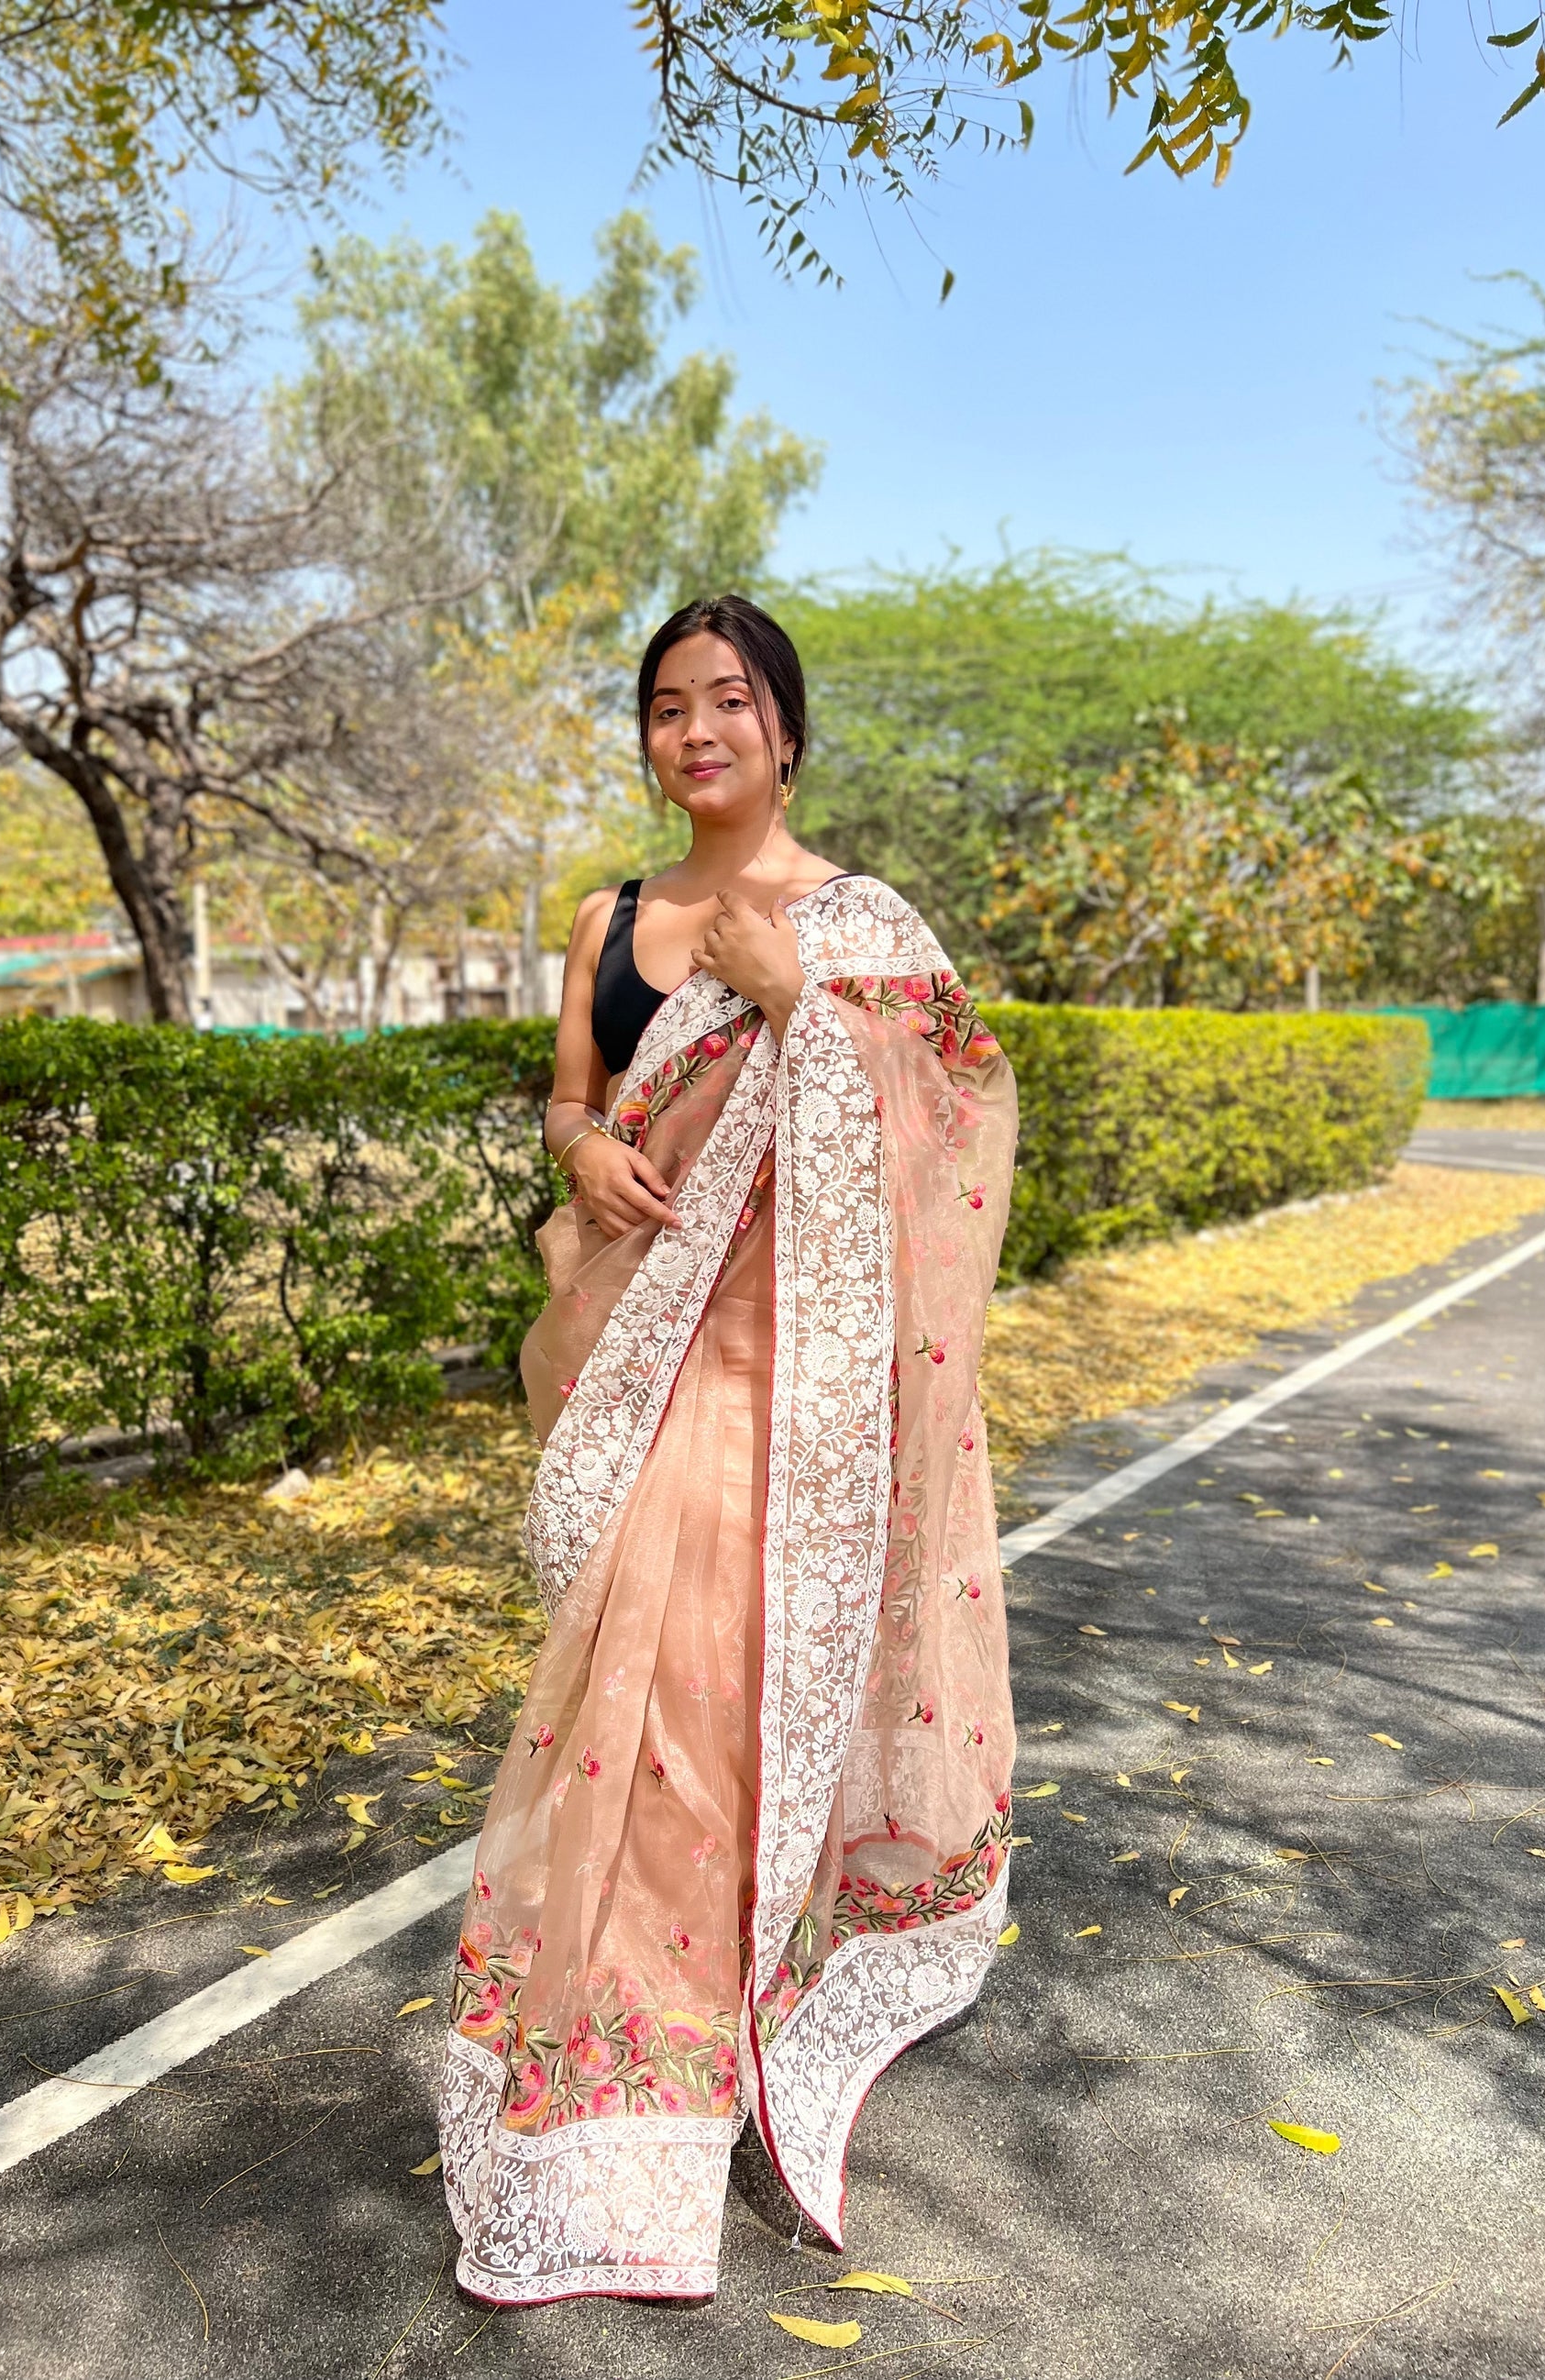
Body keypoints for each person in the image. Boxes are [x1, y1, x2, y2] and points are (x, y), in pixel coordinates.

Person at [437, 593, 1018, 2305]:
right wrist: (578, 1153)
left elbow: (965, 1112)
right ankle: (627, 2061)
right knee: (632, 1708)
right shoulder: (610, 913)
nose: (696, 733)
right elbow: (574, 1087)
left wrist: (805, 1009)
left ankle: (723, 2028)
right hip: (635, 1345)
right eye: (667, 708)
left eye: (729, 703)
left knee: (722, 1701)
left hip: (793, 1381)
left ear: (785, 730)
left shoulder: (850, 921)